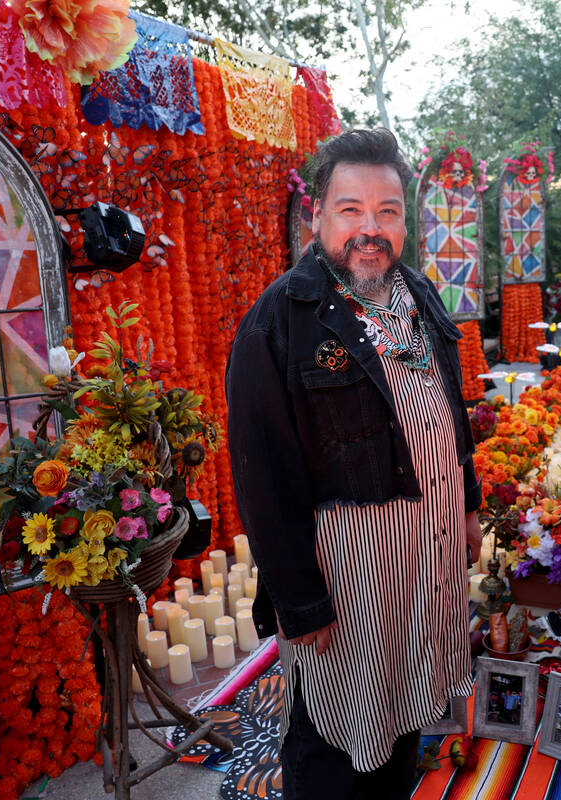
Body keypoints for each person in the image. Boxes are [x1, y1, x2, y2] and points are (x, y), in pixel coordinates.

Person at [226, 128, 483, 799]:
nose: (370, 229)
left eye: (388, 212)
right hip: (349, 581)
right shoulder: (279, 321)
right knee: (336, 740)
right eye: (351, 210)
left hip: (425, 560)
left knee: (404, 715)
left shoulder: (420, 297)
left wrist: (470, 505)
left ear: (405, 220)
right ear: (317, 215)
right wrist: (301, 602)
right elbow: (262, 477)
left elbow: (451, 412)